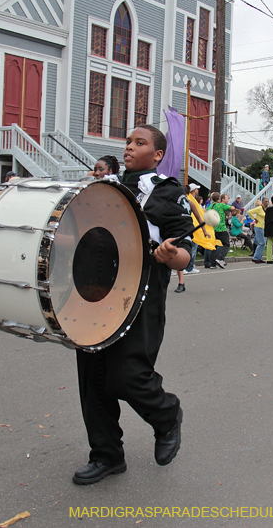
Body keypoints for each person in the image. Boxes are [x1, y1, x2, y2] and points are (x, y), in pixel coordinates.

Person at [73, 124, 190, 485]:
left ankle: (166, 415)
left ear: (157, 155)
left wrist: (169, 254)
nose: (129, 147)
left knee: (129, 375)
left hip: (142, 295)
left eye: (140, 143)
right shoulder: (105, 189)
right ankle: (107, 455)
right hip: (96, 291)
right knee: (93, 380)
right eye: (127, 142)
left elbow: (185, 254)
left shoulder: (169, 192)